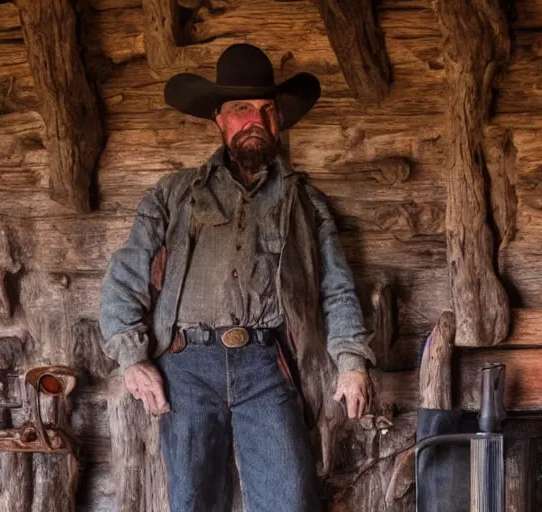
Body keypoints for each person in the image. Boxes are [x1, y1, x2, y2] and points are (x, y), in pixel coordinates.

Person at [100, 43, 377, 512]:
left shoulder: (306, 202)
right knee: (193, 502)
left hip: (268, 366)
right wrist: (132, 358)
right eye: (242, 108)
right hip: (186, 367)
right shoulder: (173, 194)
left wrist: (352, 362)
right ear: (219, 118)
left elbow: (336, 287)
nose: (256, 119)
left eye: (267, 109)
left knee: (289, 501)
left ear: (279, 121)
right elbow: (124, 276)